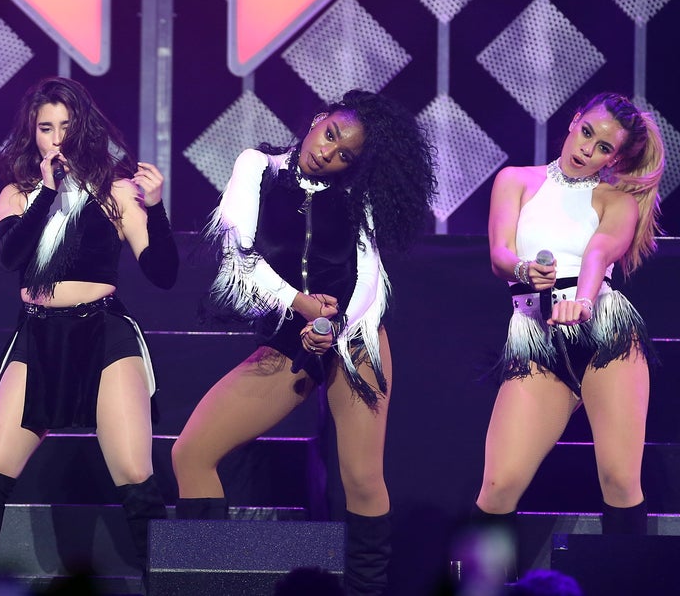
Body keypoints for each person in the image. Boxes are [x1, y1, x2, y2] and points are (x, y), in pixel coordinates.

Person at [171, 90, 436, 596]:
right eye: (330, 135)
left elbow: (368, 279)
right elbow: (237, 253)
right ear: (318, 119)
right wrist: (301, 306)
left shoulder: (357, 198)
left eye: (345, 155)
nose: (328, 153)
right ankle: (205, 584)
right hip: (289, 339)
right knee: (191, 453)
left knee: (362, 477)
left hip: (354, 340)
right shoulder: (259, 168)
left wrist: (334, 326)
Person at [0, 76, 178, 590]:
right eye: (46, 128)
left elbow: (163, 273)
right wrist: (46, 192)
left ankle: (165, 586)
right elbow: (9, 257)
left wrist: (155, 208)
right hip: (39, 336)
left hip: (104, 333)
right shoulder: (17, 194)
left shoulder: (115, 191)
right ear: (32, 133)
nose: (57, 138)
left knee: (135, 473)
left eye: (66, 125)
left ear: (84, 128)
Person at [473, 93, 664, 545]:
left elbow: (599, 252)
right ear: (575, 120)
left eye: (603, 148)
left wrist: (582, 301)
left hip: (605, 334)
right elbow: (500, 254)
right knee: (497, 486)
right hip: (535, 338)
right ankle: (484, 580)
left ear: (614, 159)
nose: (587, 149)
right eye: (587, 133)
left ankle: (624, 576)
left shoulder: (618, 200)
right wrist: (524, 270)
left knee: (620, 479)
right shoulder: (516, 180)